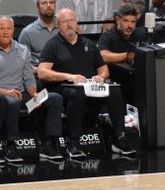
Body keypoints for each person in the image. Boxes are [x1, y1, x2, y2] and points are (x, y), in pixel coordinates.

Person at [38, 9, 135, 157]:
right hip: (65, 87)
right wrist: (69, 76)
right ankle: (74, 141)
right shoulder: (53, 45)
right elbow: (43, 72)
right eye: (64, 22)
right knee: (77, 94)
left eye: (71, 21)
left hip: (90, 86)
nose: (69, 24)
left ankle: (119, 137)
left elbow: (104, 70)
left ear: (76, 22)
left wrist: (100, 77)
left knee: (114, 90)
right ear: (58, 25)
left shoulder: (89, 45)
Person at [0, 15, 64, 163]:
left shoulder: (23, 50)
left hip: (23, 97)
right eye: (1, 28)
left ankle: (47, 144)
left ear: (13, 30)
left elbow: (28, 78)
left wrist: (34, 94)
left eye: (8, 28)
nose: (5, 32)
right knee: (12, 101)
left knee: (54, 98)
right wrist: (5, 92)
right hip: (3, 97)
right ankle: (11, 146)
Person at [98, 4, 146, 104]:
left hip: (138, 79)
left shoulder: (140, 34)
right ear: (117, 20)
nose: (130, 26)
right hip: (116, 80)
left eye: (133, 22)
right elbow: (103, 56)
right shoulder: (108, 36)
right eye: (126, 21)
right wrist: (127, 56)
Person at [18, 0, 58, 67]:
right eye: (44, 3)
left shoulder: (64, 28)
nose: (49, 5)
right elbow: (22, 63)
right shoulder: (27, 33)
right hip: (38, 76)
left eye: (51, 2)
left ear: (55, 6)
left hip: (64, 74)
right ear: (37, 7)